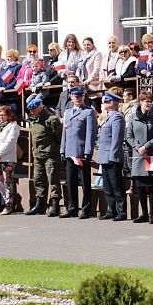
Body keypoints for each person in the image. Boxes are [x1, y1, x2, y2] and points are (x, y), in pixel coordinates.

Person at [60, 86, 98, 219]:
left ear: (83, 97)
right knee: (70, 181)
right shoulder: (67, 112)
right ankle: (72, 208)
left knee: (85, 182)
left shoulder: (88, 112)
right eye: (75, 96)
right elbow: (65, 132)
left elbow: (91, 134)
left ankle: (86, 209)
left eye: (80, 96)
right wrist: (62, 149)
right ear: (71, 96)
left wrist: (88, 151)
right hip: (69, 151)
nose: (78, 98)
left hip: (81, 152)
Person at [126, 91, 153, 223]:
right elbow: (128, 136)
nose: (149, 104)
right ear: (140, 102)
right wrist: (138, 147)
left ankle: (152, 214)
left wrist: (146, 147)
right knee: (140, 186)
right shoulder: (133, 117)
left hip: (150, 155)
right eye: (147, 101)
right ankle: (144, 213)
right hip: (138, 156)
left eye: (151, 101)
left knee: (151, 185)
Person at [24, 94, 63, 217]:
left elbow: (59, 137)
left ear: (40, 107)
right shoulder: (34, 118)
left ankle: (55, 206)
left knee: (53, 180)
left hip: (51, 155)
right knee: (38, 180)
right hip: (38, 155)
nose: (33, 112)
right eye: (31, 110)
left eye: (34, 110)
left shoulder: (51, 119)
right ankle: (40, 205)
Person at [96, 91, 127, 221]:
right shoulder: (108, 117)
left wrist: (113, 156)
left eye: (107, 101)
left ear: (113, 103)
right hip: (104, 156)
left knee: (116, 185)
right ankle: (111, 209)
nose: (105, 104)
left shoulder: (117, 117)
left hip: (112, 156)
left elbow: (117, 139)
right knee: (107, 186)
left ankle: (121, 212)